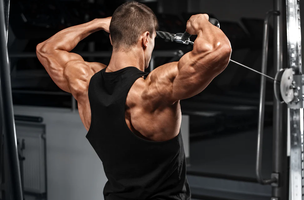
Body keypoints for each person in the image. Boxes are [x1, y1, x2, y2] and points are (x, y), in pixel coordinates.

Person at [36, 1, 231, 200]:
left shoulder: (83, 83)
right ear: (146, 39)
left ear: (112, 38)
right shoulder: (153, 90)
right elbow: (219, 49)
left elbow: (46, 49)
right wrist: (201, 23)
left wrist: (95, 23)